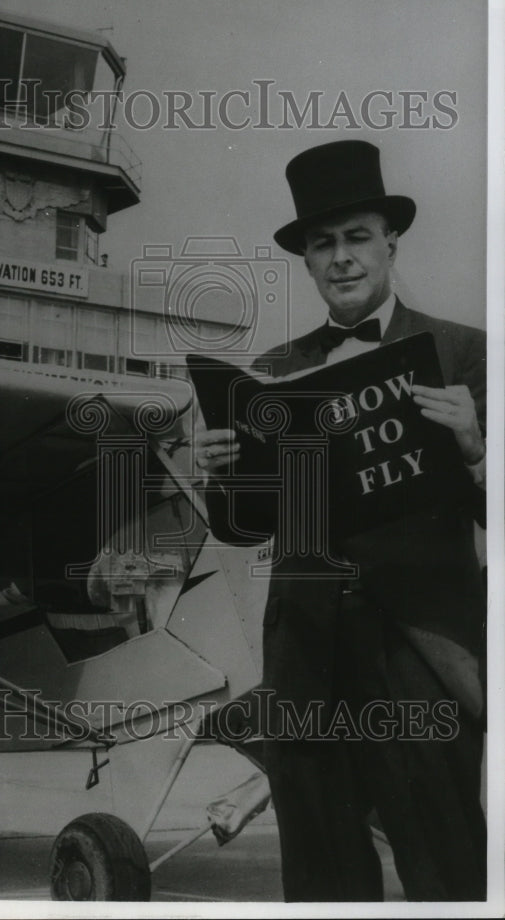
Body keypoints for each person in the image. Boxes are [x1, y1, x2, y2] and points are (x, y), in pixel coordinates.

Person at [194, 140, 487, 901]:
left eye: (356, 237)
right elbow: (244, 530)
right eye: (322, 244)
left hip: (418, 651)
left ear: (390, 240)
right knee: (320, 872)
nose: (342, 258)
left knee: (446, 861)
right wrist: (220, 470)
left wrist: (471, 443)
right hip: (304, 655)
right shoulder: (273, 370)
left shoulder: (466, 355)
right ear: (306, 261)